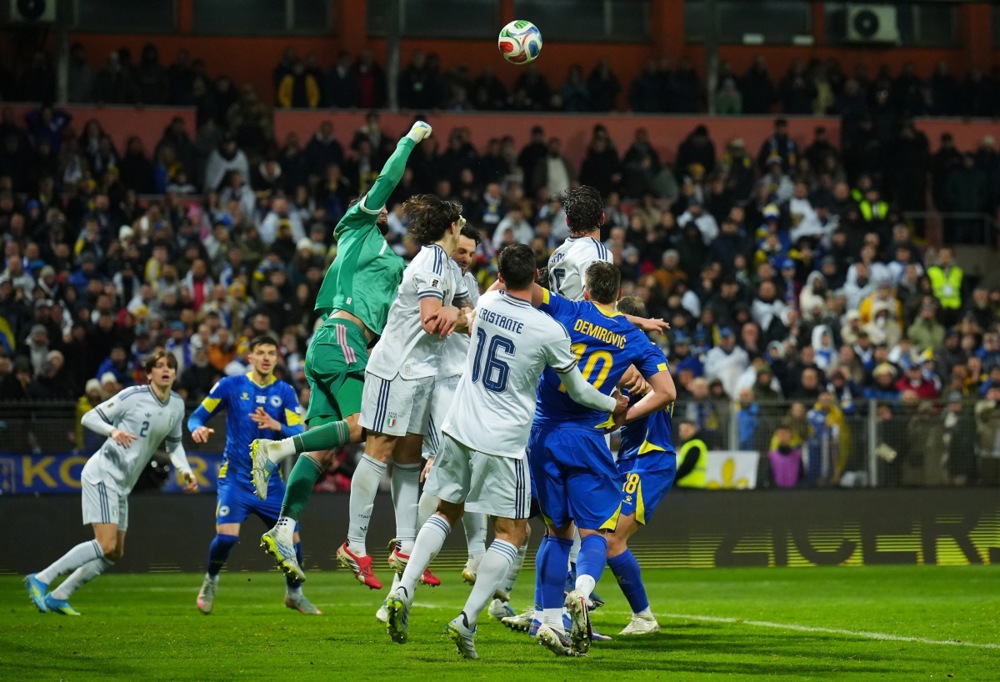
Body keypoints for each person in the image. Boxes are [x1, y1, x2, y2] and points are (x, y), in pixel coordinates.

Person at [382, 244, 628, 659]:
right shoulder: (548, 330)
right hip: (502, 441)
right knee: (512, 534)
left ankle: (403, 590)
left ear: (499, 275)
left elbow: (474, 312)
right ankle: (467, 620)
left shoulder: (487, 303)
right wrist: (613, 405)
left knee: (445, 511)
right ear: (537, 276)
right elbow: (579, 390)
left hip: (458, 427)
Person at [249, 121, 433, 580]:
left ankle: (284, 528)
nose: (382, 205)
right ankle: (275, 448)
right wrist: (409, 140)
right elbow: (386, 179)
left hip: (336, 344)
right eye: (375, 202)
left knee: (324, 451)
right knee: (366, 424)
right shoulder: (355, 227)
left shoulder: (393, 263)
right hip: (343, 340)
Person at [524, 261, 675, 655]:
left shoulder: (569, 309)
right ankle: (583, 591)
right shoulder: (631, 337)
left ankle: (548, 618)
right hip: (588, 439)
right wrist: (620, 415)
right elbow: (667, 392)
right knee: (596, 535)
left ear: (586, 290)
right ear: (617, 293)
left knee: (556, 533)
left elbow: (524, 288)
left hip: (544, 436)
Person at [344, 193, 474, 589]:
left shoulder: (449, 266)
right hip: (397, 369)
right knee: (379, 451)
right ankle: (353, 543)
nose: (463, 227)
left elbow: (471, 310)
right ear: (451, 226)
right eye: (460, 222)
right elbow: (433, 321)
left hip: (423, 373)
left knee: (408, 458)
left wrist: (462, 313)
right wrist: (458, 315)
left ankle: (406, 546)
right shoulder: (432, 261)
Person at [24, 351, 197, 616]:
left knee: (114, 552)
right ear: (149, 373)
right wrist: (112, 430)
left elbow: (174, 445)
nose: (166, 370)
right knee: (105, 544)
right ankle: (41, 578)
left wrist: (185, 470)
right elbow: (89, 417)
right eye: (160, 366)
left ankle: (59, 595)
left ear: (175, 373)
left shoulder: (176, 404)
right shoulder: (132, 396)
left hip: (123, 484)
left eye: (170, 366)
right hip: (103, 473)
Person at [186, 335, 320, 615]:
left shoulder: (284, 392)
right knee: (226, 538)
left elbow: (300, 433)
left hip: (271, 482)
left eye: (271, 353)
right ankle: (210, 581)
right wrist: (197, 428)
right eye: (261, 352)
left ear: (277, 358)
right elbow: (196, 416)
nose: (266, 358)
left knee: (292, 541)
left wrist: (276, 425)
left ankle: (294, 595)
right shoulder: (230, 385)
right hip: (236, 478)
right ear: (250, 357)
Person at [605, 295, 678, 636]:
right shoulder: (633, 356)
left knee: (612, 539)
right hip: (630, 459)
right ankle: (556, 605)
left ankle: (644, 617)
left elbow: (657, 391)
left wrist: (621, 415)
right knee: (591, 534)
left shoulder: (644, 356)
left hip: (650, 458)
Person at [547, 186, 612, 300]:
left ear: (567, 221)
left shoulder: (556, 254)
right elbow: (600, 305)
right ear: (602, 218)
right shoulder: (594, 251)